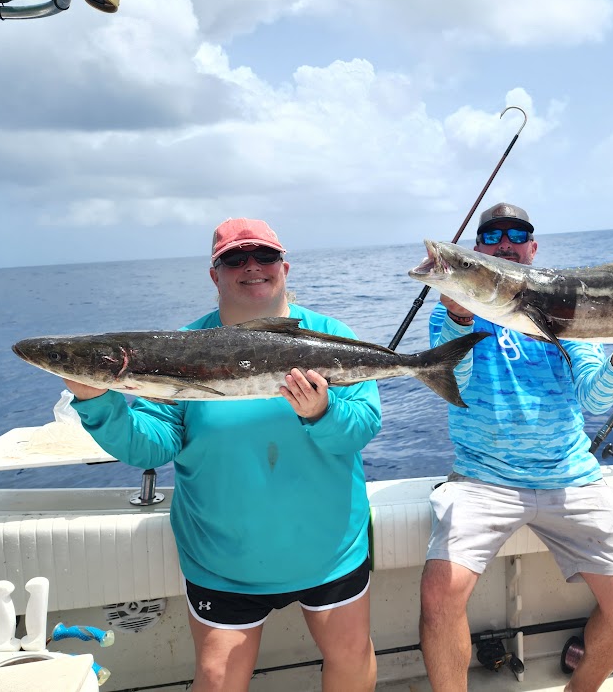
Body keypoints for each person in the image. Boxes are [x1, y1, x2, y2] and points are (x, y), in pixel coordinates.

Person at [63, 218, 381, 692]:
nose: (252, 267)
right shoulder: (181, 347)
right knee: (216, 678)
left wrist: (323, 412)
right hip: (223, 557)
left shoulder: (330, 335)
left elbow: (361, 429)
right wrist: (97, 402)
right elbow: (152, 444)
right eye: (236, 259)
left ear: (284, 267)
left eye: (264, 257)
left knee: (352, 658)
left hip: (328, 548)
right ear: (216, 274)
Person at [418, 202, 613, 692]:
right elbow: (458, 382)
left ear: (533, 249)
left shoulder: (566, 312)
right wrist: (457, 316)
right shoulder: (450, 318)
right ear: (479, 253)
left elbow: (591, 398)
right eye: (491, 239)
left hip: (569, 476)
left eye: (518, 235)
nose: (505, 244)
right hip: (483, 479)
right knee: (440, 594)